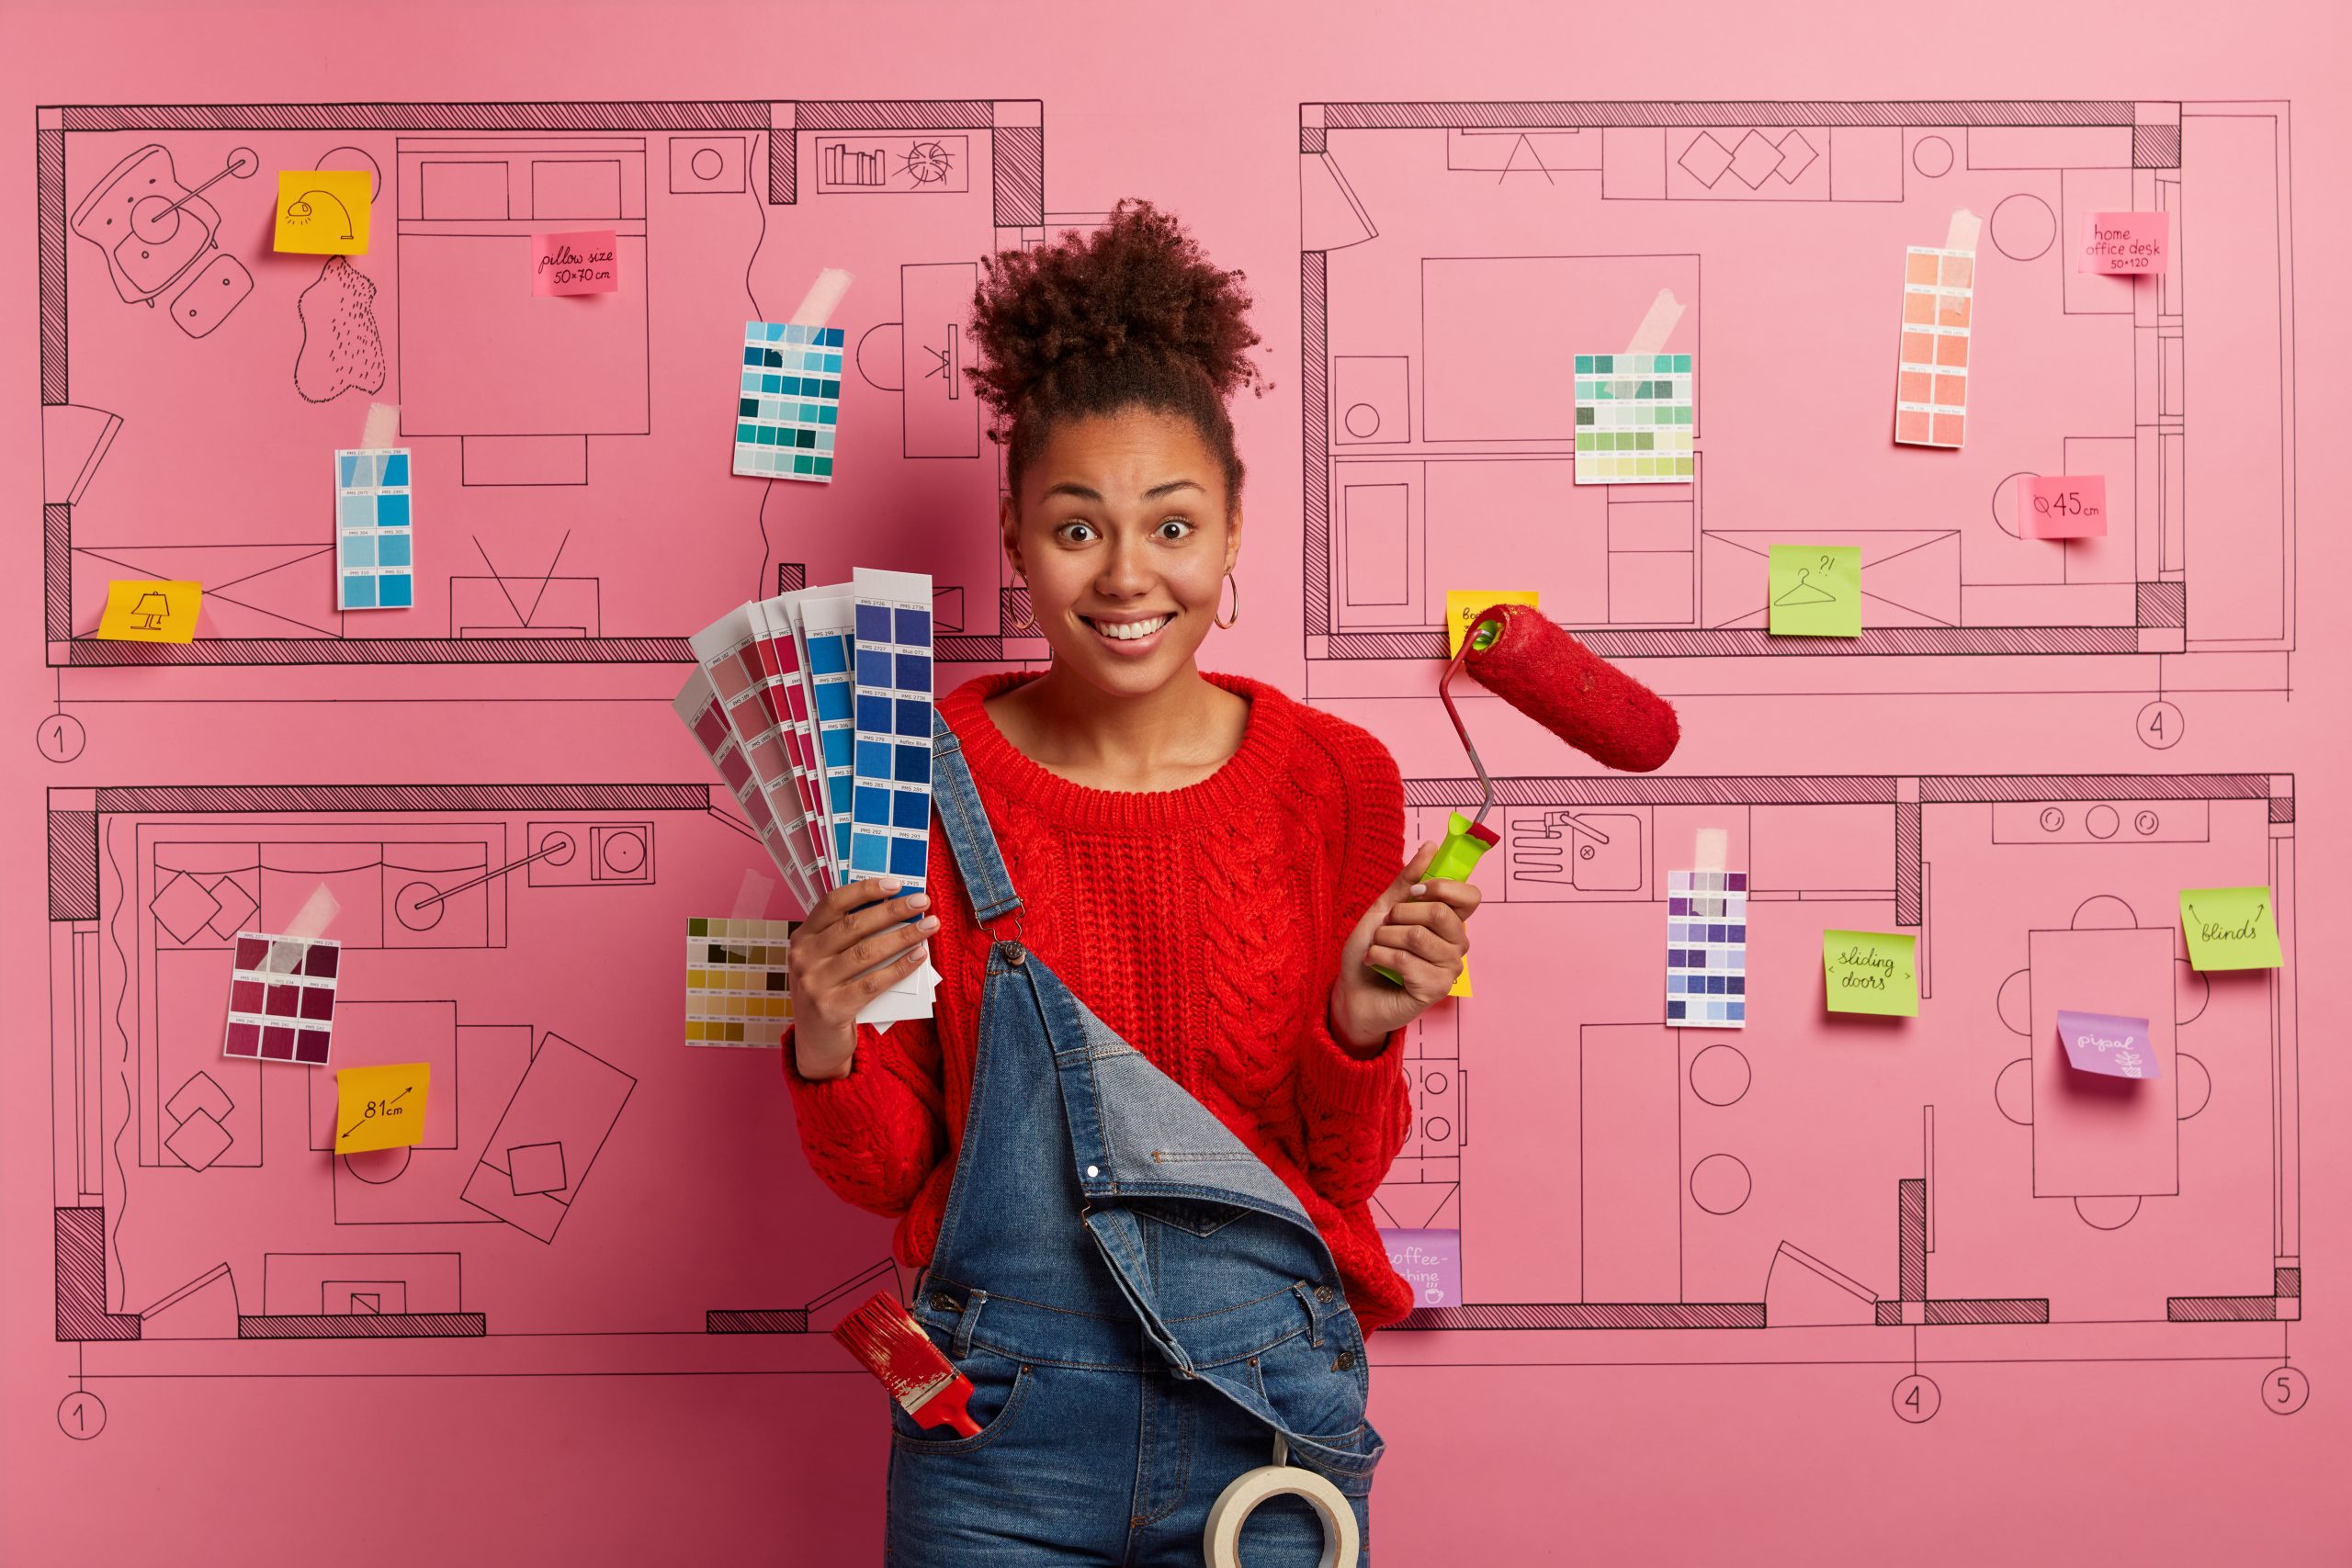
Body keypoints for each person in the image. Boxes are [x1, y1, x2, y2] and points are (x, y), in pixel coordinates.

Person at [783, 200, 1477, 1566]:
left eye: (1170, 526)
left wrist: (1357, 1027)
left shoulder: (1339, 779)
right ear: (1015, 537)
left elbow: (1340, 1167)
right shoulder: (918, 773)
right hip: (999, 1432)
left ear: (1229, 537)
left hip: (1268, 1410)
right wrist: (817, 1034)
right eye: (1078, 529)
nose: (1127, 576)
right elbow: (892, 1173)